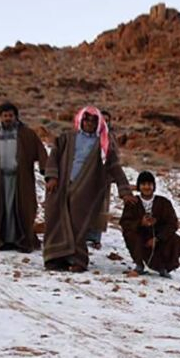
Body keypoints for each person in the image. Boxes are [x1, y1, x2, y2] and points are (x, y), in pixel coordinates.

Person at [43, 106, 134, 272]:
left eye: (93, 121)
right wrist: (52, 177)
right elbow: (54, 156)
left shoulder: (103, 144)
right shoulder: (67, 138)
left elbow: (115, 167)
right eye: (86, 119)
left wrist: (125, 190)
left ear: (98, 123)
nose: (89, 123)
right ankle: (54, 259)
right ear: (80, 120)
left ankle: (77, 261)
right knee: (56, 220)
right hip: (61, 186)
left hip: (86, 191)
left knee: (78, 225)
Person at [0, 102, 48, 252]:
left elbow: (40, 149)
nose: (7, 118)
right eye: (5, 116)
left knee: (22, 208)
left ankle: (21, 240)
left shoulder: (26, 133)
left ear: (15, 116)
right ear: (0, 117)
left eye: (10, 115)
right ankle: (2, 240)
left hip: (20, 180)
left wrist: (45, 169)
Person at [119, 171, 180, 276]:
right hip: (140, 234)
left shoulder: (164, 203)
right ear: (139, 186)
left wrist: (157, 238)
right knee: (130, 234)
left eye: (149, 184)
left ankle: (163, 268)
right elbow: (124, 222)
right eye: (143, 184)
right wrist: (140, 223)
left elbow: (172, 224)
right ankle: (139, 265)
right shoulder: (133, 202)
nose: (146, 187)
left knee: (175, 240)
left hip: (158, 235)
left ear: (153, 186)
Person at [84, 109, 114, 250]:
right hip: (86, 177)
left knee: (100, 209)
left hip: (103, 179)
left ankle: (96, 238)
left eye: (108, 120)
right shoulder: (89, 136)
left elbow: (114, 159)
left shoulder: (110, 138)